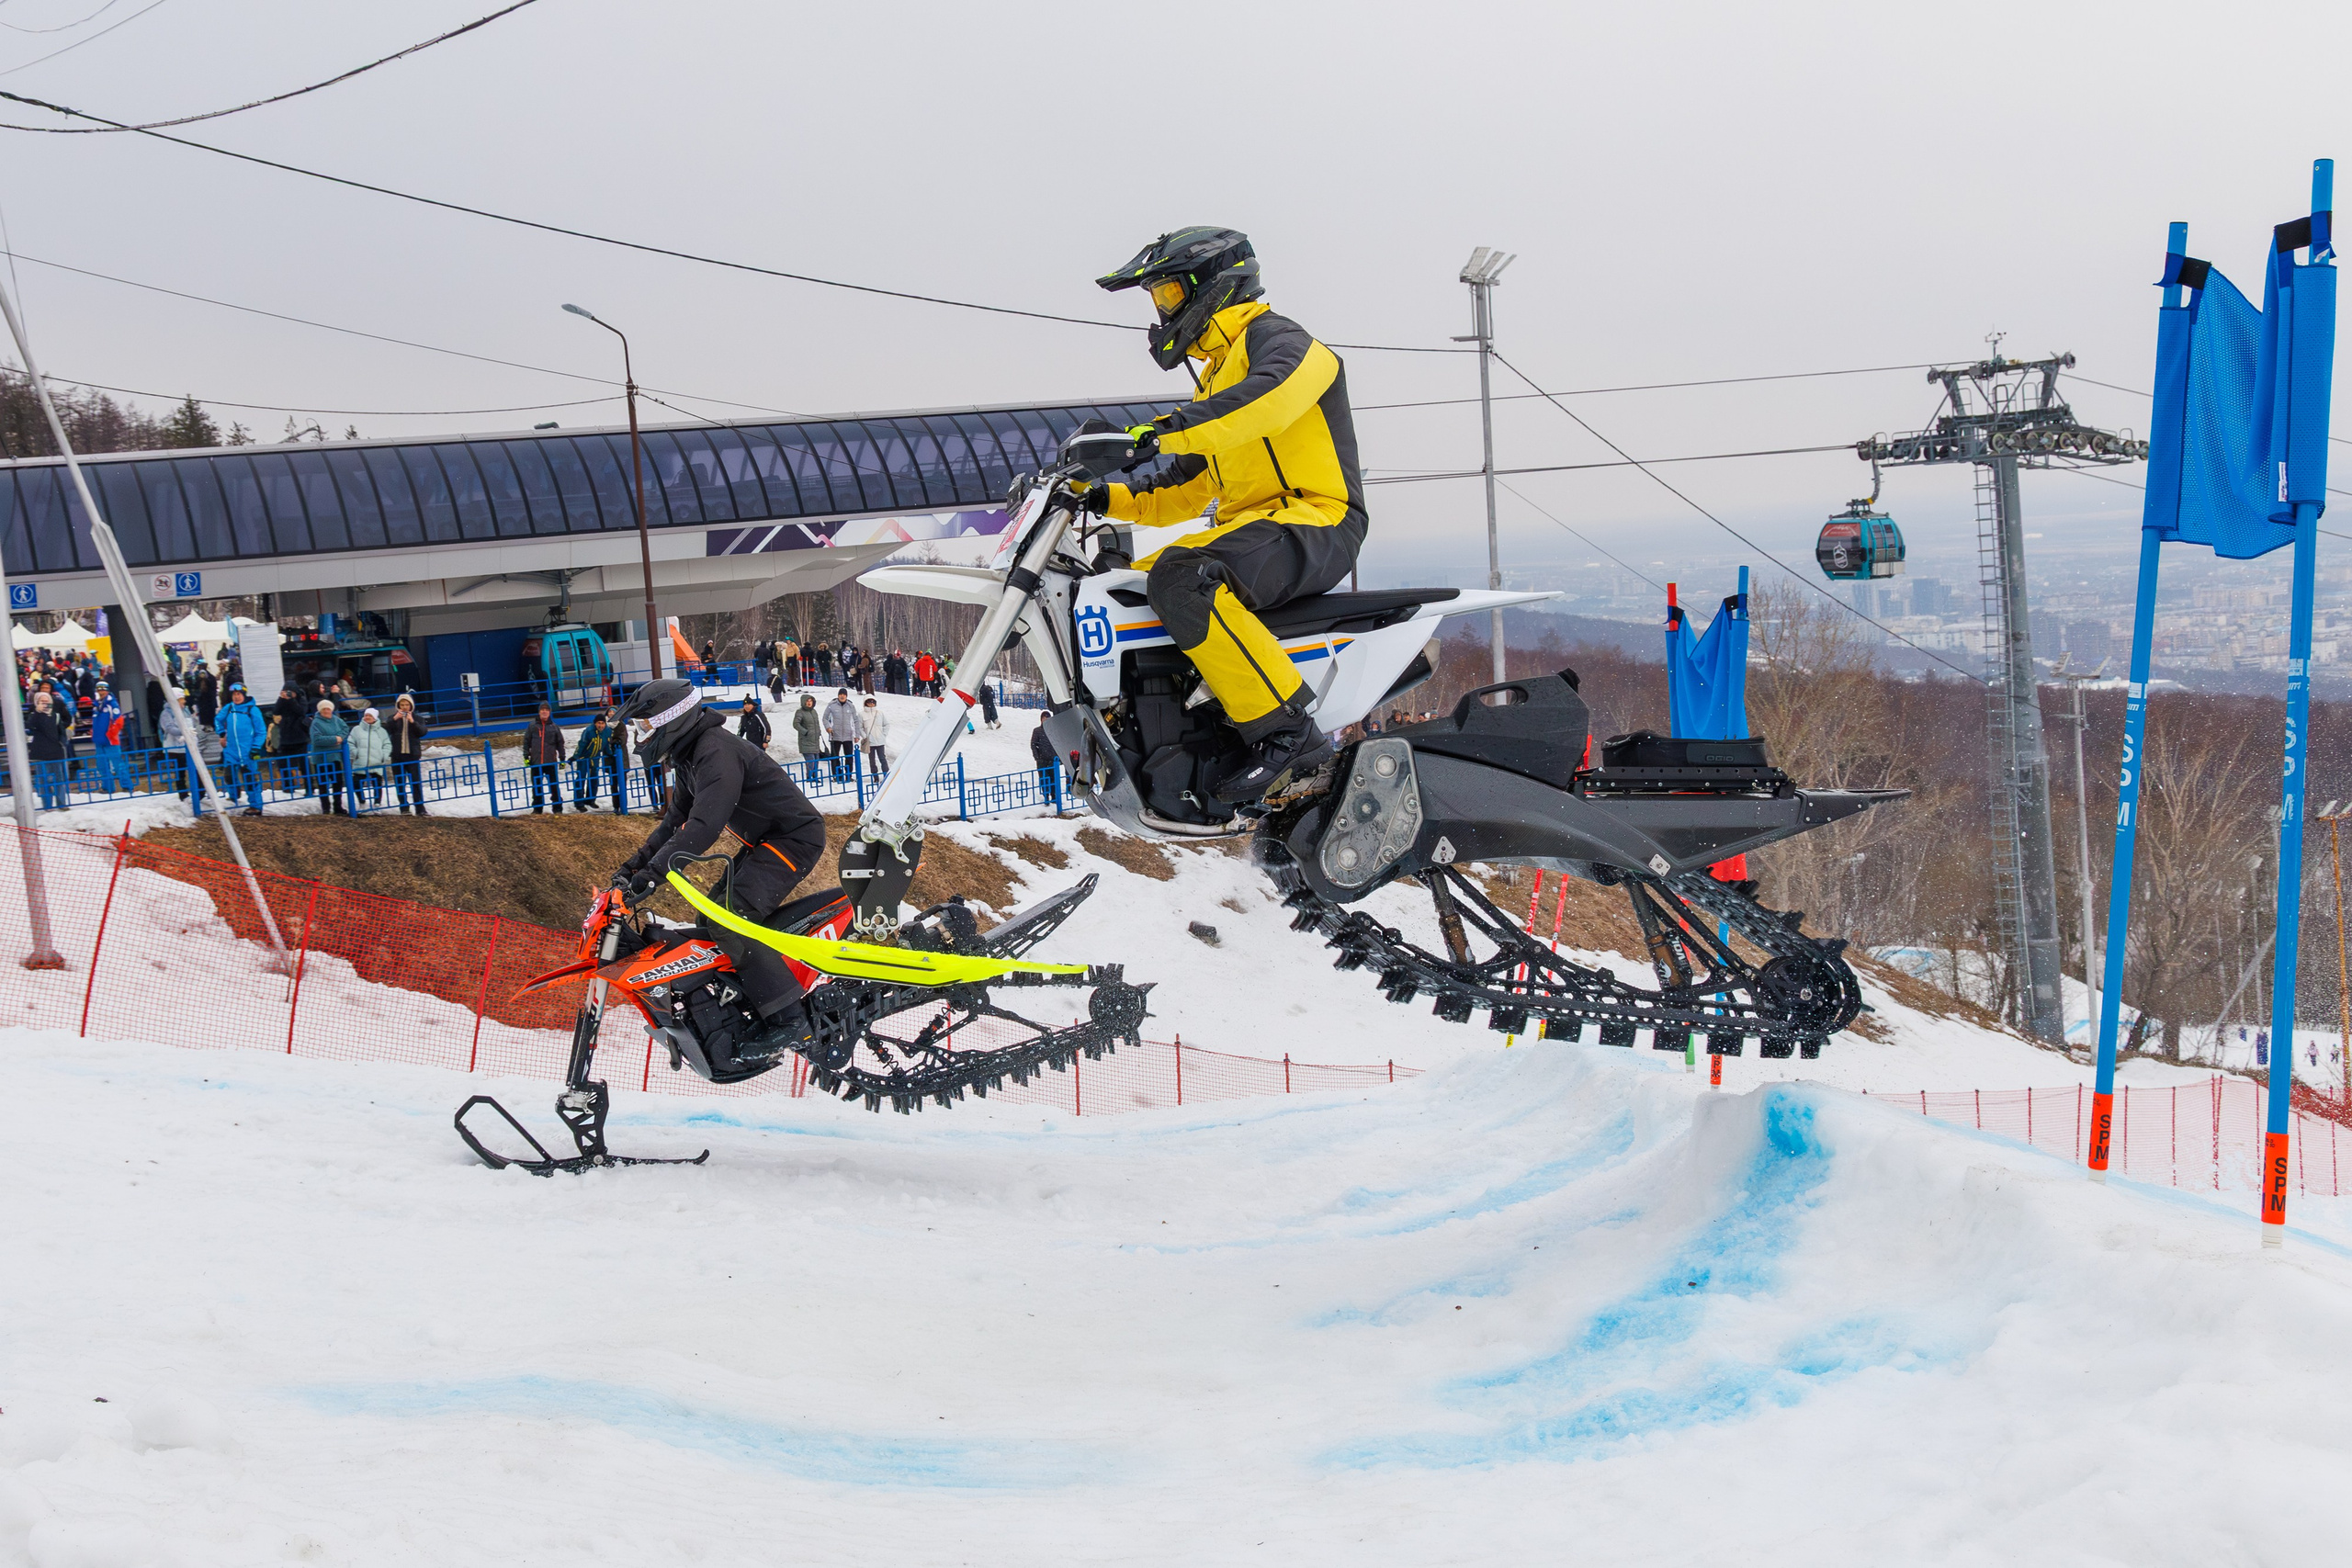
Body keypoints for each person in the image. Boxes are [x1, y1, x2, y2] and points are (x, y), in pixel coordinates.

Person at [1085, 227, 1363, 801]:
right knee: (1123, 588)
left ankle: (1289, 733)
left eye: (1167, 294)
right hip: (1252, 530)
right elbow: (1184, 489)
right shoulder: (1215, 379)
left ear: (1213, 285)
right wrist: (1098, 497)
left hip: (1318, 520)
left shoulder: (1282, 341)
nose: (1162, 313)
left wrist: (1156, 433)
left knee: (1183, 576)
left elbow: (1266, 401)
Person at [609, 678, 827, 1060]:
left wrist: (648, 880)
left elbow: (702, 827)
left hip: (794, 838)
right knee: (708, 916)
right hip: (768, 840)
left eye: (645, 726)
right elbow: (673, 823)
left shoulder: (715, 751)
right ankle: (747, 1001)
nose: (642, 736)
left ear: (671, 718)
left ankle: (790, 1020)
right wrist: (629, 872)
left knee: (729, 919)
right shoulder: (690, 755)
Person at [218, 682, 267, 814]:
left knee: (250, 779)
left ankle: (256, 806)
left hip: (248, 751)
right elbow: (218, 720)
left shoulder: (252, 710)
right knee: (229, 775)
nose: (236, 697)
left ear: (244, 695)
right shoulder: (229, 708)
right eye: (234, 694)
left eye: (239, 694)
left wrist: (256, 747)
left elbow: (261, 731)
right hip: (231, 750)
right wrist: (222, 734)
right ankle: (233, 796)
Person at [385, 693, 430, 816]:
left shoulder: (418, 718)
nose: (405, 707)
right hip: (397, 755)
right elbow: (386, 729)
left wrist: (412, 722)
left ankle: (420, 808)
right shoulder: (392, 718)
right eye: (402, 705)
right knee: (400, 783)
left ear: (411, 706)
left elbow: (422, 732)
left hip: (412, 755)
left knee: (415, 782)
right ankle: (404, 808)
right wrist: (395, 719)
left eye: (407, 705)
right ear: (398, 706)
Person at [26, 688, 69, 809]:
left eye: (47, 701)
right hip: (40, 753)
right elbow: (29, 727)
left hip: (55, 752)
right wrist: (37, 713)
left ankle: (62, 804)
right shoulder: (34, 715)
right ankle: (47, 805)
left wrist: (62, 742)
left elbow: (61, 731)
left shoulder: (56, 716)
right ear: (37, 703)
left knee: (59, 779)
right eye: (42, 701)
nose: (45, 704)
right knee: (43, 780)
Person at [307, 699, 350, 815]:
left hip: (335, 757)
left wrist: (340, 737)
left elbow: (345, 729)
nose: (326, 711)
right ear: (320, 710)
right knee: (323, 784)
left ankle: (338, 806)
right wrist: (335, 739)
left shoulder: (336, 720)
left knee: (338, 782)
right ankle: (325, 808)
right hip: (321, 758)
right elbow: (316, 739)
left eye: (328, 709)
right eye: (324, 709)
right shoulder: (316, 723)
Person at [523, 703, 567, 814]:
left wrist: (562, 758)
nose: (544, 711)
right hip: (536, 762)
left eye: (547, 710)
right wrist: (526, 756)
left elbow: (560, 743)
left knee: (554, 786)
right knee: (537, 786)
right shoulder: (532, 726)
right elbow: (526, 741)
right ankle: (537, 809)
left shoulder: (554, 727)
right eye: (542, 709)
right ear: (539, 712)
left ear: (550, 712)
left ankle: (557, 808)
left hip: (550, 761)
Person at [572, 712, 620, 810]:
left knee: (594, 779)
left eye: (602, 723)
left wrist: (610, 753)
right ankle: (579, 803)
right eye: (599, 723)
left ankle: (590, 800)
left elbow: (606, 744)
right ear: (595, 723)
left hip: (595, 758)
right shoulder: (589, 731)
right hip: (584, 758)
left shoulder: (607, 731)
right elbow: (582, 744)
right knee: (581, 779)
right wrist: (575, 756)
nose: (601, 725)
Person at [348, 706, 391, 809]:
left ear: (375, 718)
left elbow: (387, 744)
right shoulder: (356, 730)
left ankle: (377, 804)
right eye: (366, 715)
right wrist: (355, 753)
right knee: (356, 783)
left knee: (377, 784)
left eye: (370, 716)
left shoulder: (381, 731)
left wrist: (383, 756)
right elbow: (350, 743)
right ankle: (362, 802)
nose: (367, 717)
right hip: (360, 762)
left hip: (377, 762)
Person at [89, 682, 128, 795]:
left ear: (107, 690)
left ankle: (127, 787)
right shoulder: (96, 705)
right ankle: (107, 787)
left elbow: (119, 721)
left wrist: (111, 734)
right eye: (99, 690)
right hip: (99, 740)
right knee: (102, 765)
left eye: (103, 690)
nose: (101, 692)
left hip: (111, 741)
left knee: (117, 765)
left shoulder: (112, 704)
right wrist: (94, 732)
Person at [270, 687, 310, 794]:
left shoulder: (301, 699)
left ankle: (309, 787)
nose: (288, 694)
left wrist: (291, 700)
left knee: (304, 764)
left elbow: (300, 712)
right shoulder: (283, 701)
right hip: (285, 737)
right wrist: (281, 699)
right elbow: (276, 711)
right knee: (283, 763)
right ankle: (288, 786)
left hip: (300, 738)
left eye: (290, 692)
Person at [821, 687, 861, 782]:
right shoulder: (831, 705)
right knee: (835, 757)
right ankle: (837, 776)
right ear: (838, 695)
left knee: (849, 757)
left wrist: (857, 735)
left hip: (848, 735)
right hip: (835, 736)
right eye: (840, 694)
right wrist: (828, 727)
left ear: (846, 696)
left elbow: (856, 721)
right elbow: (825, 718)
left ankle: (848, 775)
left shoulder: (851, 706)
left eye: (844, 694)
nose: (842, 696)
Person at [791, 693, 824, 786]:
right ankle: (809, 777)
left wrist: (818, 732)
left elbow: (816, 724)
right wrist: (805, 732)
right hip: (806, 741)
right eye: (807, 701)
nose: (809, 703)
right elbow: (796, 724)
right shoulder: (800, 712)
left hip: (815, 740)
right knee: (811, 761)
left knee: (816, 760)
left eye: (810, 701)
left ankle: (815, 777)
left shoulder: (814, 712)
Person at [1031, 714, 1058, 805]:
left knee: (1053, 779)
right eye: (1044, 718)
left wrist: (1057, 757)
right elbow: (1033, 744)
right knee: (1044, 779)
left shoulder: (1053, 730)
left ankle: (1054, 797)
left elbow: (1057, 743)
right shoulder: (1037, 731)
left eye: (1048, 718)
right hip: (1042, 760)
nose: (1046, 720)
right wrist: (1037, 757)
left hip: (1052, 760)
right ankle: (1046, 797)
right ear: (1041, 719)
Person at [860, 695, 890, 775]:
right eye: (869, 701)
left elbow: (886, 724)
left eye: (873, 702)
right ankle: (875, 776)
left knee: (882, 759)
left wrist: (883, 734)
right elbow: (859, 727)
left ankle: (886, 775)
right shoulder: (862, 714)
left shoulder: (880, 713)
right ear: (865, 703)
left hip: (880, 741)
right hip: (870, 742)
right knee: (872, 761)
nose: (871, 703)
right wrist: (865, 737)